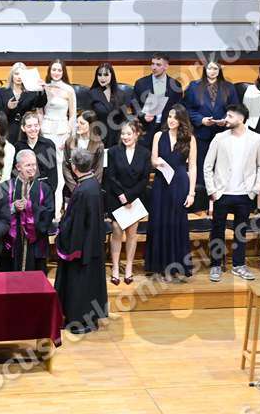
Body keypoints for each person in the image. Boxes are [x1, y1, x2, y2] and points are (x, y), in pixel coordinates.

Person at [204, 104, 260, 282]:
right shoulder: (219, 138)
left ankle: (239, 265)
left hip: (245, 193)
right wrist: (212, 191)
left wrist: (254, 190)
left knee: (241, 231)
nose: (226, 119)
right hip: (222, 192)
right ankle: (216, 264)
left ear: (241, 118)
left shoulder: (256, 138)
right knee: (218, 230)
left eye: (230, 116)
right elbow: (208, 166)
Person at [54, 148, 107, 334]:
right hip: (91, 243)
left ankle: (81, 321)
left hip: (81, 246)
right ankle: (89, 319)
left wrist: (63, 234)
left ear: (75, 167)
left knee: (80, 285)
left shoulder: (83, 190)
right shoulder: (92, 184)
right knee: (89, 284)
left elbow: (75, 222)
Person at [145, 104, 197, 282]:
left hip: (180, 182)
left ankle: (175, 267)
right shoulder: (159, 135)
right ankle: (158, 265)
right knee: (159, 221)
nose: (171, 120)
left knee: (176, 222)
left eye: (175, 117)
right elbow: (152, 160)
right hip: (161, 182)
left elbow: (193, 166)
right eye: (169, 116)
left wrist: (191, 193)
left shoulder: (190, 138)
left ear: (182, 119)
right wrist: (157, 162)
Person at [104, 120, 151, 285]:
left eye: (129, 134)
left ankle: (129, 267)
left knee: (132, 233)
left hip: (135, 199)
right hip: (116, 198)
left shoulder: (145, 153)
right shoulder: (113, 151)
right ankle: (116, 268)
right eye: (123, 133)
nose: (125, 137)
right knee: (117, 231)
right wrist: (121, 195)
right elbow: (110, 176)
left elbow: (144, 179)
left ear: (136, 134)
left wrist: (129, 196)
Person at [184, 61, 239, 184]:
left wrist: (226, 119)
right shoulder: (194, 86)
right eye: (209, 68)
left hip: (223, 134)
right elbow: (187, 108)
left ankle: (220, 193)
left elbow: (235, 108)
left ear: (219, 70)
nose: (212, 71)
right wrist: (201, 120)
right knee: (201, 167)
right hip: (201, 134)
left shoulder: (229, 87)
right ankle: (201, 192)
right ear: (205, 69)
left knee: (222, 167)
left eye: (215, 69)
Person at [1, 150, 54, 272]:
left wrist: (30, 207)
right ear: (18, 167)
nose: (32, 168)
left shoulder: (44, 188)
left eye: (34, 164)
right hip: (12, 244)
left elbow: (48, 213)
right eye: (28, 165)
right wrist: (13, 208)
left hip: (35, 244)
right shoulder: (6, 187)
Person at [41, 59, 76, 217]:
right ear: (50, 71)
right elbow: (39, 112)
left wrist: (69, 137)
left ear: (63, 72)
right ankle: (45, 210)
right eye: (53, 69)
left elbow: (72, 115)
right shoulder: (43, 88)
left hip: (62, 133)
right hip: (46, 131)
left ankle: (57, 213)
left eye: (59, 70)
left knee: (60, 174)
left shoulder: (69, 90)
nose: (56, 72)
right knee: (46, 170)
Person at [133, 53, 183, 148]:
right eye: (152, 64)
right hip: (146, 130)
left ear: (166, 66)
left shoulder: (176, 85)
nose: (154, 67)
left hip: (167, 129)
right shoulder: (141, 83)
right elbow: (135, 105)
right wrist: (143, 115)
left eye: (158, 65)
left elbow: (179, 108)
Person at [0, 62, 46, 145]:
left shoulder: (31, 92)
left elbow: (40, 104)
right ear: (12, 75)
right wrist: (8, 108)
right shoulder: (0, 92)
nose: (19, 77)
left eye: (22, 74)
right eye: (16, 74)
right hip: (7, 130)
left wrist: (41, 90)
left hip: (25, 131)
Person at [14, 111, 58, 196]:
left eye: (36, 125)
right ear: (23, 128)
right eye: (29, 126)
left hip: (44, 191)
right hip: (24, 191)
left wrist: (49, 194)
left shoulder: (48, 145)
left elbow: (53, 174)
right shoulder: (18, 146)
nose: (33, 129)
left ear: (39, 126)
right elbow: (15, 173)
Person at [89, 62, 132, 149]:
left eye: (106, 75)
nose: (102, 78)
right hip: (99, 136)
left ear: (112, 76)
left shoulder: (121, 94)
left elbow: (124, 118)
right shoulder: (91, 94)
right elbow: (88, 119)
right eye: (99, 75)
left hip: (117, 137)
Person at [63, 110, 104, 196]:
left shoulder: (98, 144)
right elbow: (65, 166)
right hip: (71, 190)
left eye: (82, 123)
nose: (78, 125)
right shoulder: (69, 141)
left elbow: (99, 170)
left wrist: (90, 188)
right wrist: (74, 188)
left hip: (90, 191)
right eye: (77, 122)